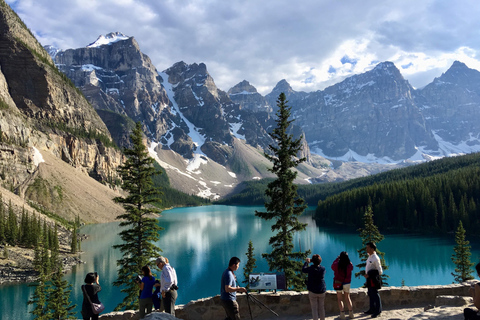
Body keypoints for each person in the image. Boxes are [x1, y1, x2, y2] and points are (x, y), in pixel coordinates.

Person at [302, 254, 326, 320]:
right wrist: (313, 261)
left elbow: (303, 270)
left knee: (314, 308)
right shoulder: (323, 269)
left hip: (313, 291)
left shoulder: (310, 269)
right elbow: (318, 267)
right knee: (321, 307)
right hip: (321, 290)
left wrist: (307, 262)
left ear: (313, 261)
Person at [332, 251, 354, 319]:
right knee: (347, 298)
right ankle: (351, 314)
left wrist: (337, 259)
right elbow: (351, 268)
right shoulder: (350, 265)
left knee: (340, 299)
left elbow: (332, 267)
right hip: (347, 283)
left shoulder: (337, 264)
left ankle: (342, 314)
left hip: (338, 282)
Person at [363, 242, 383, 318]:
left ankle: (378, 311)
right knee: (370, 294)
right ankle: (372, 309)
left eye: (367, 247)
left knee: (375, 294)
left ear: (372, 248)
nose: (366, 249)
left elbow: (380, 271)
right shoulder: (370, 257)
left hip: (373, 279)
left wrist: (370, 274)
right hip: (369, 279)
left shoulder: (375, 258)